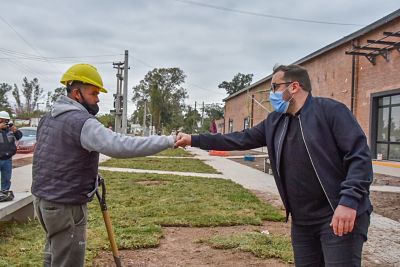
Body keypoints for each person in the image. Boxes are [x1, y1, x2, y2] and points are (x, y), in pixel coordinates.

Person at [175, 64, 373, 266]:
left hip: (337, 214)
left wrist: (349, 201)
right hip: (302, 222)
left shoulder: (331, 112)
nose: (271, 94)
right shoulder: (275, 121)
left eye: (275, 87)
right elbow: (238, 139)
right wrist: (194, 139)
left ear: (294, 86)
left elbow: (360, 157)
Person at [31, 63, 176, 267]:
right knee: (68, 261)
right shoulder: (81, 122)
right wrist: (168, 141)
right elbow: (120, 146)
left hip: (44, 201)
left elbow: (53, 156)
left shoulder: (48, 118)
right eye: (93, 93)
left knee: (54, 255)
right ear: (76, 94)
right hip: (66, 204)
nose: (98, 98)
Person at [0, 110, 22, 192]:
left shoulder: (10, 130)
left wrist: (15, 131)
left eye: (7, 121)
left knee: (6, 179)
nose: (5, 122)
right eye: (3, 120)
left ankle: (4, 193)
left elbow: (19, 136)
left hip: (7, 159)